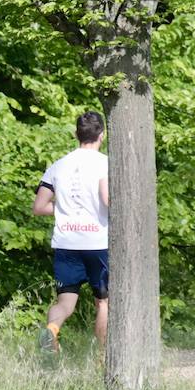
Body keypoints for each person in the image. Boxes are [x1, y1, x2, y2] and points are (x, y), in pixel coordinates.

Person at [33, 112, 110, 355]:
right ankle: (103, 357)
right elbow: (107, 200)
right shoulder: (105, 163)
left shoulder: (58, 165)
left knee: (65, 303)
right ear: (102, 135)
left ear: (76, 134)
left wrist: (64, 207)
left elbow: (39, 206)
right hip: (97, 242)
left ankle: (52, 329)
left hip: (66, 242)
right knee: (104, 302)